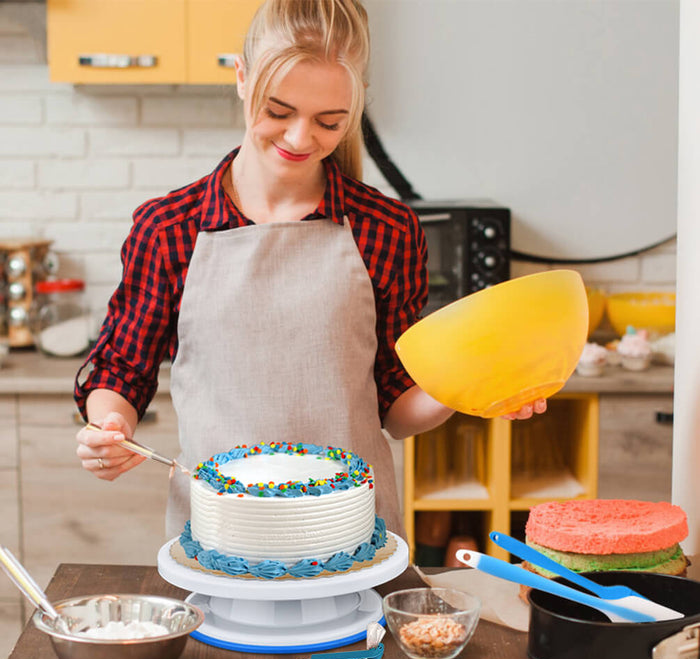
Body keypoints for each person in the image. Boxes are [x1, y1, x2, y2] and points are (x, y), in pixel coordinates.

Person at [74, 0, 546, 539]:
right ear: (241, 76)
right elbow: (121, 372)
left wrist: (471, 386)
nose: (301, 140)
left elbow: (395, 405)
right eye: (278, 111)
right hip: (220, 537)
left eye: (329, 122)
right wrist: (110, 425)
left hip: (352, 539)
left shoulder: (386, 229)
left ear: (355, 107)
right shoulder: (169, 228)